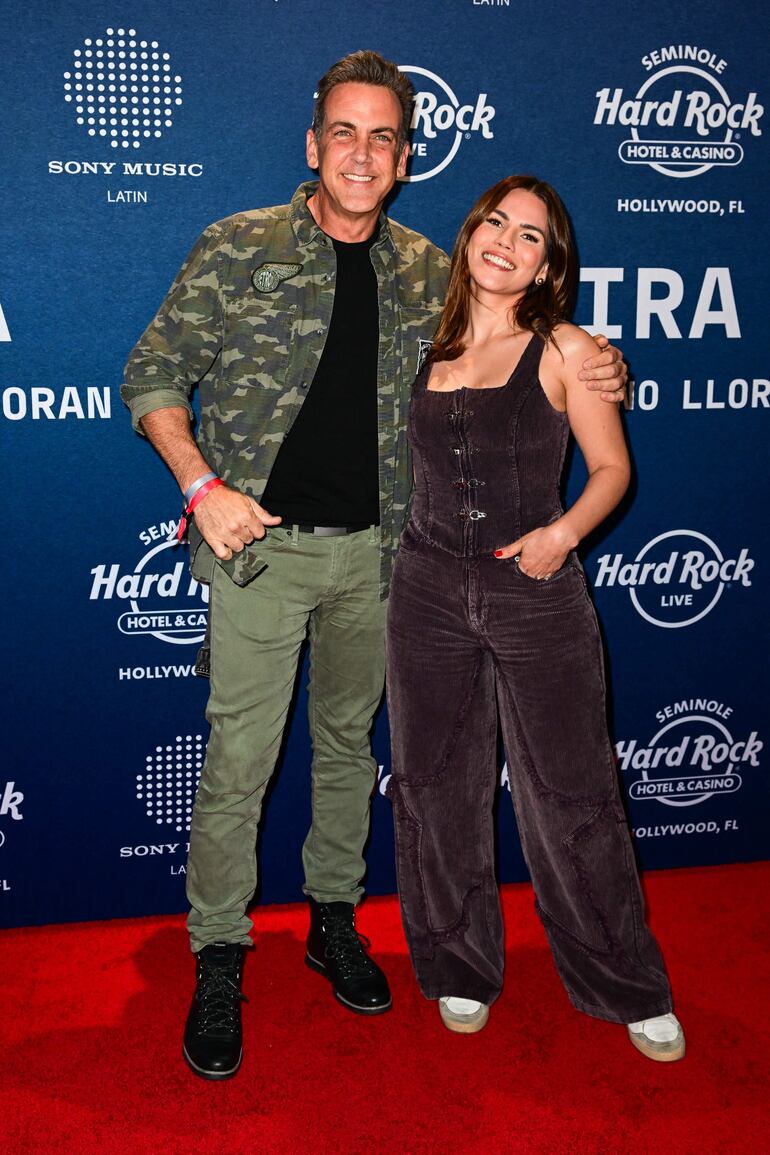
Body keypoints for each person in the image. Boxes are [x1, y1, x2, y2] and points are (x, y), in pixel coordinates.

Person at [121, 53, 628, 1081]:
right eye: (343, 133)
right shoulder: (238, 247)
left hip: (384, 564)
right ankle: (219, 955)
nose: (362, 153)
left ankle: (331, 923)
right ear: (313, 147)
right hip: (255, 552)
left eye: (382, 137)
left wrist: (595, 356)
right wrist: (199, 486)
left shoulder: (422, 270)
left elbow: (515, 330)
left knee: (351, 754)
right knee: (236, 769)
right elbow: (153, 370)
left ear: (404, 157)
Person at [385, 175, 685, 1062]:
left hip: (536, 588)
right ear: (470, 231)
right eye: (496, 223)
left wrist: (561, 533)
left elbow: (610, 470)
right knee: (436, 786)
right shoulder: (421, 341)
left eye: (531, 237)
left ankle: (624, 982)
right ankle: (458, 966)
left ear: (549, 265)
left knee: (572, 793)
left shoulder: (568, 349)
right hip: (426, 591)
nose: (507, 242)